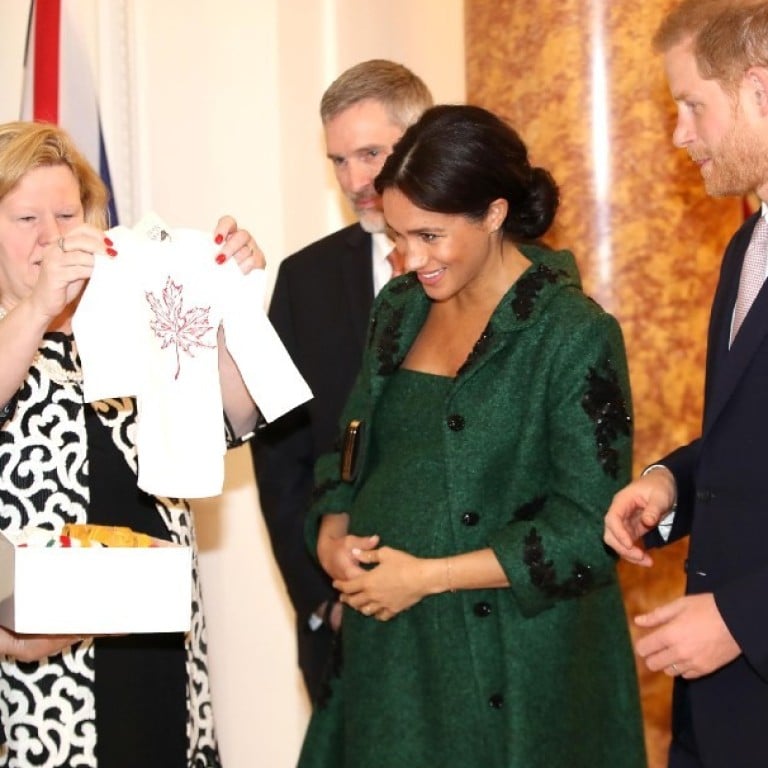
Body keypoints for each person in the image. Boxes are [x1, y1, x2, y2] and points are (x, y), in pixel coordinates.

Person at [297, 104, 646, 768]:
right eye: (400, 237)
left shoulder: (573, 333)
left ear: (492, 214)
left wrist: (429, 577)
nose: (413, 259)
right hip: (393, 659)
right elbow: (353, 439)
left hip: (512, 667)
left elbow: (587, 532)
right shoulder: (398, 308)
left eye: (430, 236)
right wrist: (333, 520)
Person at [0, 120, 262, 768]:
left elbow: (233, 420)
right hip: (38, 659)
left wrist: (226, 305)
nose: (51, 237)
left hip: (156, 641)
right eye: (25, 216)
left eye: (67, 214)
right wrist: (35, 307)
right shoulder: (14, 330)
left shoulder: (128, 314)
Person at [603, 2, 768, 766]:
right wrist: (671, 482)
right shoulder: (746, 247)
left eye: (693, 104)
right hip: (720, 715)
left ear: (760, 91)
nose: (680, 134)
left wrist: (741, 619)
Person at [250, 59, 432, 702]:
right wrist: (323, 601)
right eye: (338, 161)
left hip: (466, 618)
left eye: (372, 153)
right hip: (344, 627)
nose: (356, 180)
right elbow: (281, 461)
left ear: (421, 141)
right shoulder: (305, 281)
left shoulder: (489, 270)